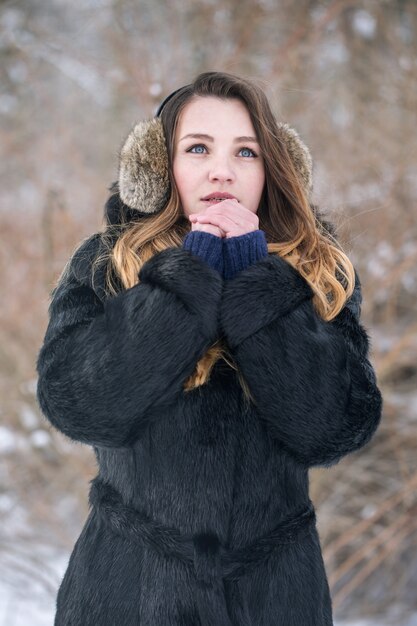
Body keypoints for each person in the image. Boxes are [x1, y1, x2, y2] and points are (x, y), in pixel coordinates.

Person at [35, 71, 383, 626]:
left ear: (272, 168)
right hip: (125, 593)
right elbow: (81, 407)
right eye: (198, 148)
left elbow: (336, 427)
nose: (222, 170)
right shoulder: (105, 263)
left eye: (246, 152)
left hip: (276, 600)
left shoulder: (319, 272)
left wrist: (257, 283)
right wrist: (187, 278)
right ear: (159, 167)